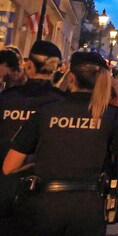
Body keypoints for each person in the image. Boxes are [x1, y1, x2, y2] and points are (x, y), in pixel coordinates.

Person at [2, 51, 118, 235]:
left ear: (72, 77)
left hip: (44, 204)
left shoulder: (47, 111)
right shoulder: (109, 116)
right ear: (102, 80)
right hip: (89, 206)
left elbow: (9, 167)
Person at [0, 41, 66, 231]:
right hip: (44, 187)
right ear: (55, 69)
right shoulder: (60, 102)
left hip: (6, 182)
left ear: (29, 65)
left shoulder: (7, 98)